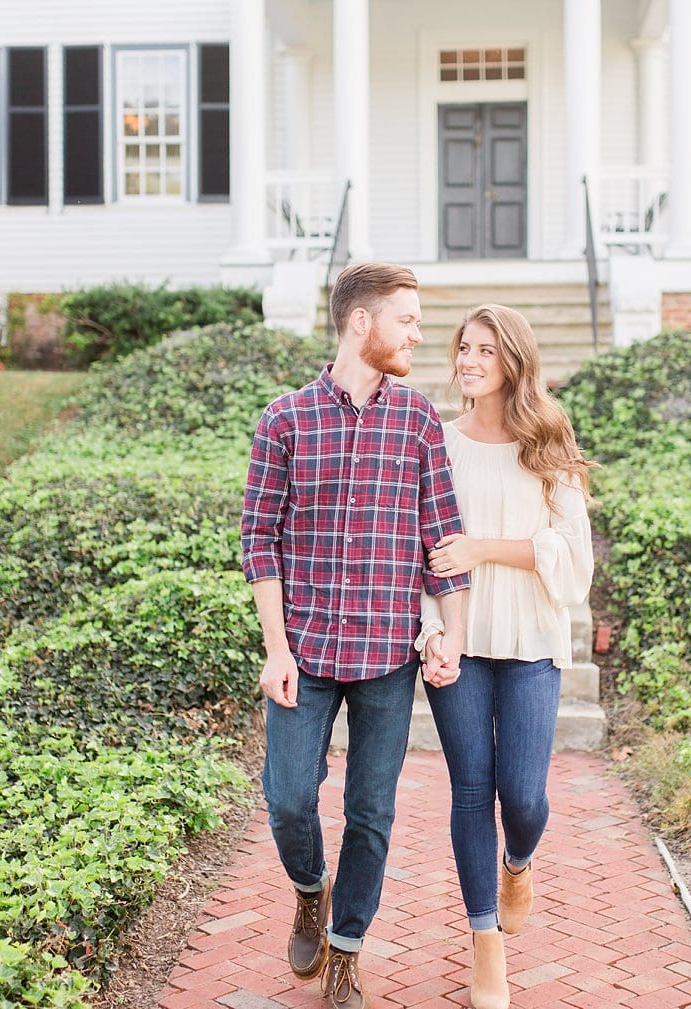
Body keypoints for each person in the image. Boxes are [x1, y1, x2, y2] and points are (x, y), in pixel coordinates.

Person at [241, 262, 471, 1009]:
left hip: (383, 660)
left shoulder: (418, 420)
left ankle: (345, 950)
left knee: (371, 811)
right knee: (287, 800)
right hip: (303, 652)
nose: (418, 333)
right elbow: (258, 541)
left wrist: (452, 635)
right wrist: (276, 647)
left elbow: (443, 537)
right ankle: (310, 887)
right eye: (406, 319)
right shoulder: (283, 419)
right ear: (360, 323)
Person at [416, 304, 595, 1009]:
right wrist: (431, 629)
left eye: (484, 351)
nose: (468, 360)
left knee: (521, 794)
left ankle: (518, 860)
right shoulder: (436, 439)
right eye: (463, 347)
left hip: (529, 642)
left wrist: (485, 548)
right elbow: (416, 550)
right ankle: (484, 943)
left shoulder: (547, 439)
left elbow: (573, 559)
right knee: (469, 789)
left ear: (512, 361)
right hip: (460, 638)